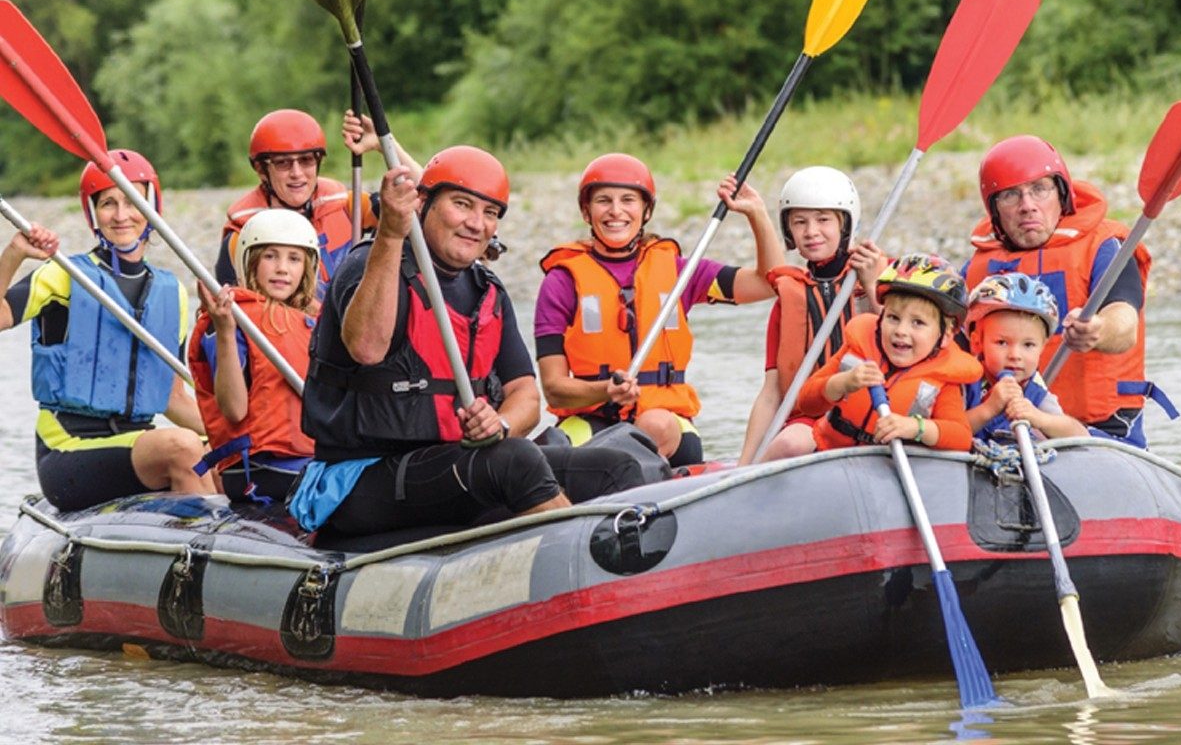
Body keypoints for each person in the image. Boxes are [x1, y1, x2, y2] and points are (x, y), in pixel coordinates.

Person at [290, 146, 589, 539]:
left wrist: (499, 424)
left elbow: (526, 396)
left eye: (490, 213)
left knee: (613, 464)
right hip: (357, 478)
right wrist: (391, 233)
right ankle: (581, 563)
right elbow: (366, 347)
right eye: (462, 205)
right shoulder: (369, 264)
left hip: (446, 463)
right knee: (515, 462)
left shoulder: (487, 291)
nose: (476, 223)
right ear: (424, 204)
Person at [535, 153, 785, 465]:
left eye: (628, 200)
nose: (616, 211)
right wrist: (605, 391)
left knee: (653, 425)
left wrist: (756, 214)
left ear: (646, 210)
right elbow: (554, 389)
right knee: (544, 452)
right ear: (586, 211)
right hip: (591, 419)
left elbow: (768, 282)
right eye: (603, 201)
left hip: (668, 423)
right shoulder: (561, 282)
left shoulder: (681, 273)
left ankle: (616, 474)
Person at [0, 150, 213, 512]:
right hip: (68, 449)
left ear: (152, 207)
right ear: (92, 213)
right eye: (108, 203)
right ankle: (210, 547)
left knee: (221, 453)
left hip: (134, 441)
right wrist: (15, 253)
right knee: (183, 447)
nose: (121, 215)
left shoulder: (170, 291)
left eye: (132, 200)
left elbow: (172, 399)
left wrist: (234, 433)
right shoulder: (66, 273)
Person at [963, 135, 1170, 447]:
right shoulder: (977, 268)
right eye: (1010, 196)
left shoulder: (1106, 248)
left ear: (1061, 195)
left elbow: (1124, 322)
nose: (1027, 206)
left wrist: (1097, 331)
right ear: (994, 210)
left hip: (1100, 430)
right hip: (1002, 429)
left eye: (1039, 189)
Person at [738, 167, 887, 463]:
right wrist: (743, 466)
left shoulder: (882, 276)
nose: (811, 232)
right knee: (790, 444)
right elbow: (771, 393)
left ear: (845, 223)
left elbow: (911, 342)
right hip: (810, 420)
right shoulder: (788, 298)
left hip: (875, 411)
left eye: (823, 219)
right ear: (789, 230)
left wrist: (873, 287)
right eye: (799, 222)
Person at [788, 254, 982, 455]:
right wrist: (842, 383)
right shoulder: (858, 349)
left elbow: (960, 436)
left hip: (892, 472)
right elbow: (806, 402)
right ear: (880, 318)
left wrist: (916, 427)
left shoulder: (944, 379)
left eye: (918, 323)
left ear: (946, 334)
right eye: (893, 317)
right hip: (831, 456)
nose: (901, 331)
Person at [189, 209, 321, 503]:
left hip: (310, 461)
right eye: (270, 256)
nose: (283, 268)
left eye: (294, 258)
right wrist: (225, 330)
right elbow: (234, 410)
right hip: (261, 468)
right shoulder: (231, 318)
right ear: (250, 261)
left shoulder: (314, 323)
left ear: (307, 268)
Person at [216, 109, 376, 300]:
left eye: (306, 160)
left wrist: (383, 144)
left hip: (351, 320)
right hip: (286, 326)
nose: (297, 173)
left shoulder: (349, 206)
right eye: (283, 163)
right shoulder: (242, 238)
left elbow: (418, 211)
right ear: (261, 169)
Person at [962, 272, 1087, 443]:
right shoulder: (964, 382)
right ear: (977, 343)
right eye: (1002, 342)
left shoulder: (1034, 393)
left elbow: (1081, 436)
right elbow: (945, 430)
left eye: (1028, 345)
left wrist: (1039, 418)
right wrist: (989, 408)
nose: (1015, 355)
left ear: (1042, 348)